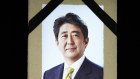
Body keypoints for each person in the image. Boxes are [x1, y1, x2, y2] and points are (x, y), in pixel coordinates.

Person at [43, 13, 103, 79]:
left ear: (86, 41)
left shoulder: (100, 73)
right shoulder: (48, 74)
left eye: (75, 35)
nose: (70, 42)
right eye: (64, 36)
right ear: (57, 43)